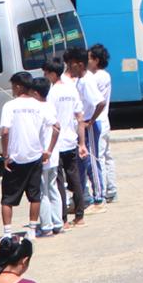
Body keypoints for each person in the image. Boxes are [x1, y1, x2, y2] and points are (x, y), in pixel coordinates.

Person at [0, 72, 54, 236]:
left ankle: (7, 232)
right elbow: (55, 127)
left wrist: (5, 154)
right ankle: (31, 229)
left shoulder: (9, 106)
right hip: (35, 155)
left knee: (7, 198)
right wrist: (48, 149)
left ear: (18, 86)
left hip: (15, 157)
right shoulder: (39, 105)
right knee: (34, 195)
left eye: (13, 86)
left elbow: (4, 132)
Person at [40, 57, 84, 233]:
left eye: (45, 73)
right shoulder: (71, 90)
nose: (45, 76)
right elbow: (80, 117)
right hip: (71, 139)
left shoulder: (51, 94)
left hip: (57, 142)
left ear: (52, 73)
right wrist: (81, 142)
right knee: (74, 177)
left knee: (59, 182)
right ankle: (80, 215)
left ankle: (63, 219)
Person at [65, 48, 101, 208]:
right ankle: (86, 197)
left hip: (89, 124)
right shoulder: (79, 79)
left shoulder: (87, 80)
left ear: (80, 64)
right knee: (83, 162)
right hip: (82, 125)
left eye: (71, 64)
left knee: (92, 161)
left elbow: (100, 102)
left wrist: (91, 121)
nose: (69, 68)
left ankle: (99, 196)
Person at [86, 44, 116, 203]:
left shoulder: (94, 77)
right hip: (105, 120)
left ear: (96, 60)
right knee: (107, 155)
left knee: (98, 158)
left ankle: (102, 192)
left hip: (97, 120)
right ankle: (111, 189)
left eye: (89, 58)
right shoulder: (106, 75)